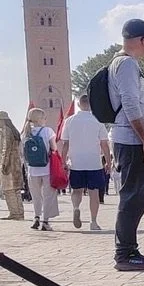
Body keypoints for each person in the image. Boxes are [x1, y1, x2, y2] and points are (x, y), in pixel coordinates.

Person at [108, 18, 144, 270]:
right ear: (141, 39)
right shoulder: (127, 64)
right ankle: (125, 253)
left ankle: (128, 250)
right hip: (131, 141)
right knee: (132, 198)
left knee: (135, 197)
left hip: (130, 139)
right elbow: (130, 105)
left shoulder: (124, 64)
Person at [59, 94, 110, 232]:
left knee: (76, 190)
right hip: (94, 162)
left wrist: (63, 161)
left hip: (76, 162)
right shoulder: (97, 120)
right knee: (94, 193)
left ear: (79, 104)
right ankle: (93, 222)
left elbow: (65, 144)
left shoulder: (69, 121)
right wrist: (109, 163)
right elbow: (104, 144)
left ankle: (76, 208)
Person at [21, 108, 58, 231]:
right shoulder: (48, 131)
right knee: (48, 195)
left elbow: (23, 153)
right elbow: (54, 148)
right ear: (41, 119)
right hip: (46, 168)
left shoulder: (26, 133)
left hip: (32, 169)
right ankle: (45, 222)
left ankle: (36, 217)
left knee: (36, 196)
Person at [0, 111, 25, 220]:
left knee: (8, 190)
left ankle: (14, 213)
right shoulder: (15, 132)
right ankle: (19, 212)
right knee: (16, 190)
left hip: (9, 165)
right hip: (16, 164)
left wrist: (3, 164)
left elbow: (6, 148)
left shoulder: (6, 131)